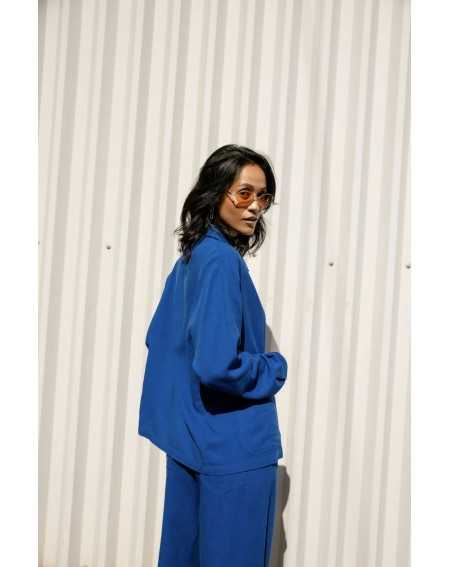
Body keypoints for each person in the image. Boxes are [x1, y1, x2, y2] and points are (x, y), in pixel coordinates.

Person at [138, 144, 288, 566]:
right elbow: (216, 364)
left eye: (263, 196)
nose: (255, 206)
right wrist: (273, 368)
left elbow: (159, 340)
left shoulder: (195, 256)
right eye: (244, 193)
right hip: (233, 448)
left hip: (192, 443)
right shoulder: (221, 261)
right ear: (215, 192)